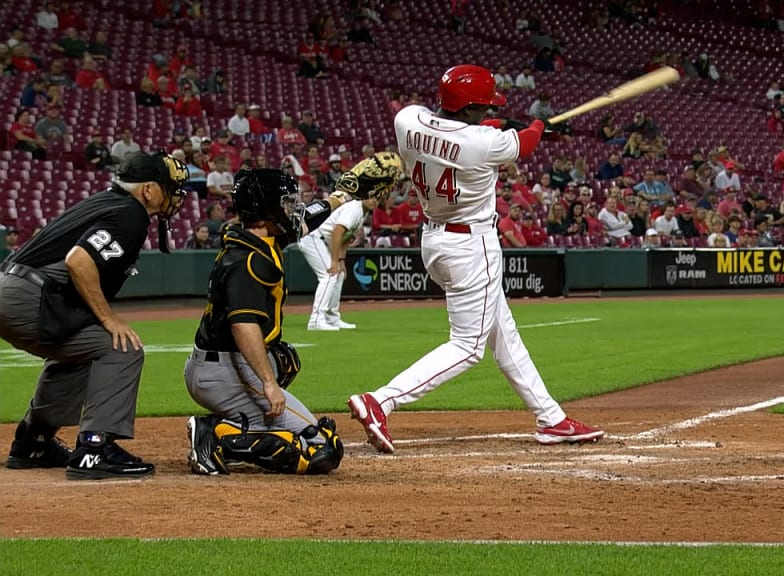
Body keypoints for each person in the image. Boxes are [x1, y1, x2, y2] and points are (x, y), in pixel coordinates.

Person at [348, 65, 605, 454]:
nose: (487, 112)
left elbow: (476, 126)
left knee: (503, 333)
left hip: (435, 241)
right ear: (471, 109)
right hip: (472, 246)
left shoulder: (408, 119)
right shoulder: (485, 144)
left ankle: (550, 418)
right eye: (482, 107)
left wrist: (518, 123)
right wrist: (536, 126)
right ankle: (382, 400)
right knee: (468, 346)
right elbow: (523, 143)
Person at [0, 152, 188, 479]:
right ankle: (95, 448)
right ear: (147, 190)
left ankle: (34, 442)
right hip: (31, 295)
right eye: (167, 186)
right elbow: (79, 261)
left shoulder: (108, 202)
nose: (173, 194)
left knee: (80, 350)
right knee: (121, 348)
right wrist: (109, 318)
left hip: (16, 289)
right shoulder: (131, 214)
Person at [182, 169, 345, 476]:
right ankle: (215, 434)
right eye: (285, 202)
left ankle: (238, 424)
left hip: (217, 363)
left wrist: (341, 197)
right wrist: (269, 385)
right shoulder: (246, 260)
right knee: (320, 450)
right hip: (226, 368)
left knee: (285, 359)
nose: (292, 208)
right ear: (266, 208)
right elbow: (243, 326)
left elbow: (308, 219)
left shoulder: (258, 240)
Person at [297, 158, 393, 330]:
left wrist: (341, 261)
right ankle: (316, 319)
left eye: (377, 199)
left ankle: (332, 317)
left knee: (338, 274)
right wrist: (334, 261)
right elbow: (337, 232)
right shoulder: (355, 208)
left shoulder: (363, 213)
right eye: (371, 196)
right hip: (312, 236)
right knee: (329, 275)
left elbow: (346, 238)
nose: (374, 201)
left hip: (321, 239)